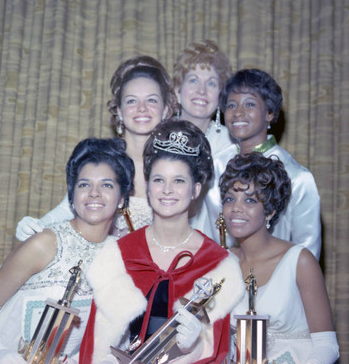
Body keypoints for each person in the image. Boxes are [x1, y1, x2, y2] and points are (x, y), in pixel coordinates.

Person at [79, 120, 245, 364]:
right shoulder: (117, 255)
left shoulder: (219, 267)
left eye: (179, 181)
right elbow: (95, 347)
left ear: (195, 189)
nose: (167, 190)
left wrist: (194, 348)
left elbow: (219, 355)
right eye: (158, 180)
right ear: (147, 186)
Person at [0, 138, 135, 363]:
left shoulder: (119, 257)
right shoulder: (45, 243)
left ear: (122, 199)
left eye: (106, 185)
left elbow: (111, 335)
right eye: (84, 184)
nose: (94, 192)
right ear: (72, 197)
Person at [15, 56, 177, 241]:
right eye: (132, 101)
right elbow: (69, 208)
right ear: (119, 111)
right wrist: (37, 226)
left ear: (165, 110)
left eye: (152, 100)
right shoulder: (104, 159)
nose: (141, 108)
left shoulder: (176, 167)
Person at [220, 153, 339, 363]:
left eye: (249, 200)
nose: (236, 208)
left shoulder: (299, 261)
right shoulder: (223, 263)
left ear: (270, 211)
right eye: (230, 198)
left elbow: (327, 346)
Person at [193, 68, 322, 259]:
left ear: (269, 113)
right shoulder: (215, 166)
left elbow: (308, 252)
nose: (238, 113)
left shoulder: (297, 177)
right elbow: (202, 231)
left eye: (250, 104)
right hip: (219, 277)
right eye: (231, 105)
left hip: (273, 281)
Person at [173, 39, 234, 155]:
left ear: (221, 96)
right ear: (177, 91)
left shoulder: (231, 146)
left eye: (211, 83)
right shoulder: (158, 136)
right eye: (193, 80)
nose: (202, 91)